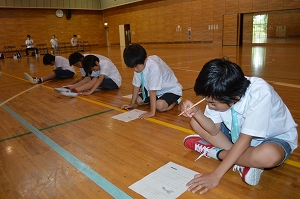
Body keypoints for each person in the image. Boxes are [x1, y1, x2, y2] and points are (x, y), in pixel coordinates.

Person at [180, 58, 298, 194]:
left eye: (212, 103)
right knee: (196, 122)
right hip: (237, 135)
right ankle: (243, 161)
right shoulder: (223, 90)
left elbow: (245, 140)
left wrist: (215, 176)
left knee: (269, 156)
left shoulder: (260, 93)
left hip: (272, 139)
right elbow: (213, 130)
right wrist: (197, 112)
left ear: (235, 97)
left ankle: (215, 152)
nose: (210, 106)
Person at [121, 44, 182, 119]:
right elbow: (136, 86)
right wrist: (131, 104)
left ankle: (176, 100)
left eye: (136, 67)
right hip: (156, 90)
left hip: (170, 89)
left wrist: (152, 112)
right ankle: (157, 101)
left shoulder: (154, 68)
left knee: (159, 106)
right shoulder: (138, 66)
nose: (135, 70)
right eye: (132, 68)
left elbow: (152, 91)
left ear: (145, 60)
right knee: (138, 101)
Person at [55, 53, 121, 97]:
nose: (94, 71)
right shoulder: (92, 63)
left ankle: (75, 91)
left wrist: (90, 91)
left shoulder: (105, 64)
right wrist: (88, 87)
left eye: (93, 69)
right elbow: (88, 78)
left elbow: (99, 80)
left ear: (96, 63)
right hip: (106, 80)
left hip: (114, 83)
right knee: (88, 78)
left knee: (95, 79)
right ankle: (70, 87)